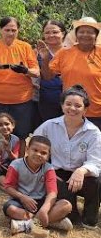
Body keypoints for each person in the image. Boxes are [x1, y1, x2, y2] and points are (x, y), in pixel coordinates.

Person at [33, 86, 101, 228]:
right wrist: (47, 170)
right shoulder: (49, 126)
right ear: (62, 106)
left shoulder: (93, 132)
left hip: (82, 174)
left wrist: (81, 171)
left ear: (85, 109)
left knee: (96, 181)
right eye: (68, 104)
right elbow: (35, 148)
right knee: (60, 186)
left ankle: (89, 218)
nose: (72, 108)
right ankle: (70, 214)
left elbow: (95, 162)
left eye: (78, 105)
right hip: (57, 172)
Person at [0, 16, 39, 140]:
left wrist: (25, 70)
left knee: (21, 134)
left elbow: (36, 72)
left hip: (21, 100)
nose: (10, 33)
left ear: (18, 30)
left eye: (14, 30)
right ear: (0, 30)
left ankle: (19, 159)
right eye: (7, 30)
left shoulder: (25, 47)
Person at [2, 135, 74, 234]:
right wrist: (23, 197)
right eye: (35, 150)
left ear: (48, 156)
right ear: (27, 149)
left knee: (66, 205)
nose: (38, 154)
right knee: (11, 209)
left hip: (41, 202)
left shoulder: (48, 168)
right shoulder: (16, 165)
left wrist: (44, 209)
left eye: (43, 153)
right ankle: (51, 221)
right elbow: (8, 187)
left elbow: (52, 192)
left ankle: (25, 225)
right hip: (21, 201)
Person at [39, 17, 101, 127]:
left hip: (97, 112)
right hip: (71, 111)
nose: (85, 35)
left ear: (96, 35)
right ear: (76, 35)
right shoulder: (65, 52)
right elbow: (48, 76)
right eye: (81, 31)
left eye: (90, 32)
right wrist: (45, 59)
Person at [34, 20, 66, 123]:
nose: (51, 35)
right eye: (47, 33)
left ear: (63, 33)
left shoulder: (71, 51)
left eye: (55, 32)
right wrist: (46, 58)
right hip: (46, 98)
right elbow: (44, 76)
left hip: (69, 98)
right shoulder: (37, 52)